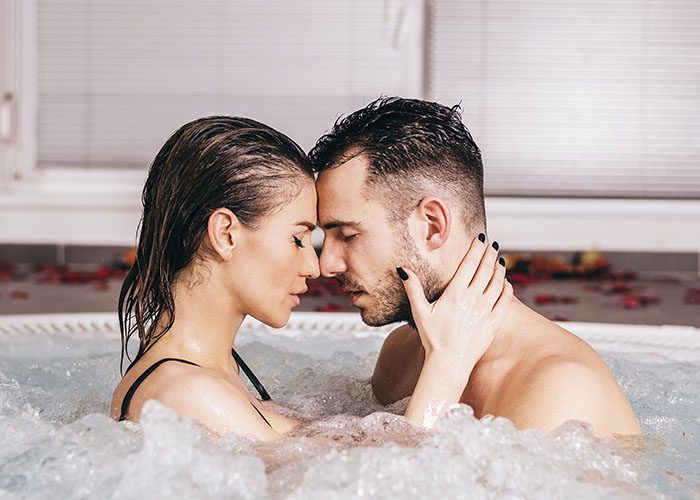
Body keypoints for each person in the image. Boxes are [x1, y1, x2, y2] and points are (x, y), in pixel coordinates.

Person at [110, 115, 510, 440]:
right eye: (299, 238)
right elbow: (389, 488)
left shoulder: (210, 373)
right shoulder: (186, 393)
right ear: (226, 234)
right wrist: (449, 364)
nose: (315, 267)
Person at [309, 97, 640, 438]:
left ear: (432, 226)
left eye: (347, 235)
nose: (326, 264)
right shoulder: (400, 354)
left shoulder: (559, 390)